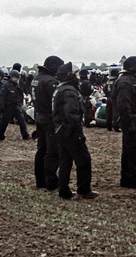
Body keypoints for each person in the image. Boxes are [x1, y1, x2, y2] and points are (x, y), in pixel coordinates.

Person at [51, 62, 98, 200]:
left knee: (65, 159)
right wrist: (79, 132)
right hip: (68, 129)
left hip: (60, 129)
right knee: (84, 159)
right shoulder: (70, 91)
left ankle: (63, 189)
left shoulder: (61, 89)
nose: (78, 77)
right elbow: (72, 114)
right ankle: (84, 189)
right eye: (76, 74)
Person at [111, 57, 136, 190]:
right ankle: (134, 179)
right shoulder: (126, 82)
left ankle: (126, 178)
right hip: (131, 121)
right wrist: (132, 121)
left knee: (128, 151)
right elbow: (123, 104)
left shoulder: (128, 80)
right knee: (134, 151)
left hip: (131, 120)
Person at [33, 57, 61, 191]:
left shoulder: (37, 79)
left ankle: (40, 180)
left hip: (38, 115)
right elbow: (56, 101)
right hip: (49, 117)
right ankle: (51, 181)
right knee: (52, 150)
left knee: (41, 149)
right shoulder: (51, 82)